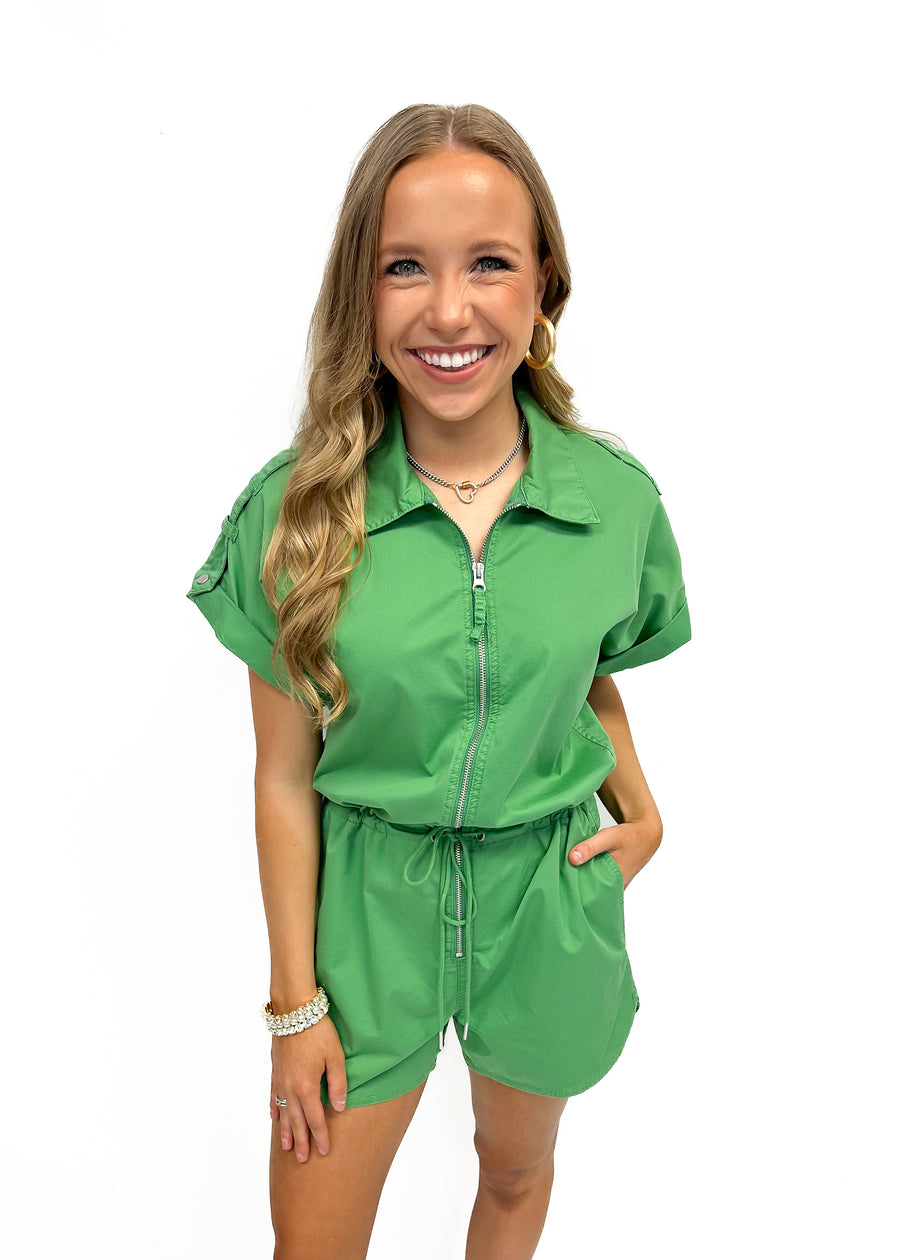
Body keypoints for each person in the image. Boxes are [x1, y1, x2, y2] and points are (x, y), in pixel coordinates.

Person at [187, 102, 691, 1260]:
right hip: (367, 916)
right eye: (404, 266)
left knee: (514, 1174)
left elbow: (587, 672)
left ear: (544, 284)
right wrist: (295, 1006)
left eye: (490, 264)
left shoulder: (614, 505)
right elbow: (282, 779)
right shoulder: (295, 515)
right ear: (360, 296)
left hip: (543, 899)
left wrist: (642, 806)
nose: (449, 309)